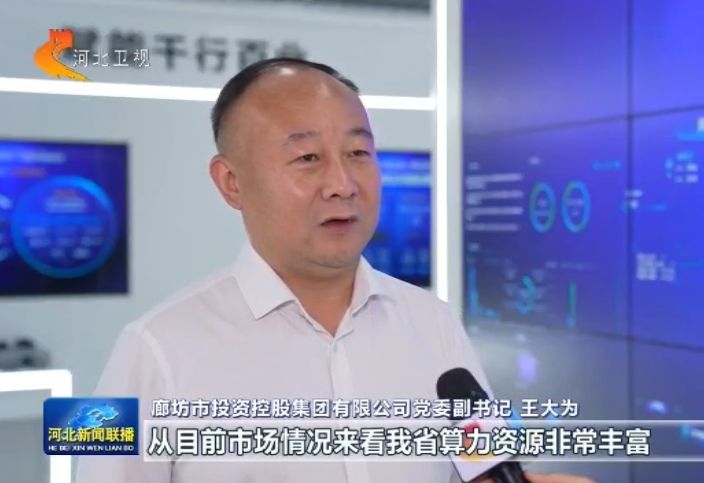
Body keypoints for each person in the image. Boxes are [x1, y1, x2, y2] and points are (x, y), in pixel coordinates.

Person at [75, 57, 594, 483]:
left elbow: (484, 469)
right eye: (307, 158)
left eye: (358, 152)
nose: (343, 184)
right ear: (231, 182)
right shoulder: (153, 346)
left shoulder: (433, 323)